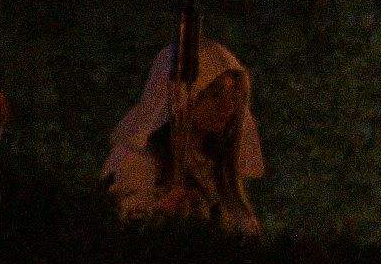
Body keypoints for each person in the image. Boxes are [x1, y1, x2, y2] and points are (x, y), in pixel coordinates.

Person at [102, 37, 264, 234]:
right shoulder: (136, 159)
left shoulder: (218, 170)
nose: (227, 106)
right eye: (214, 95)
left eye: (233, 96)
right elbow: (120, 226)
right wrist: (161, 213)